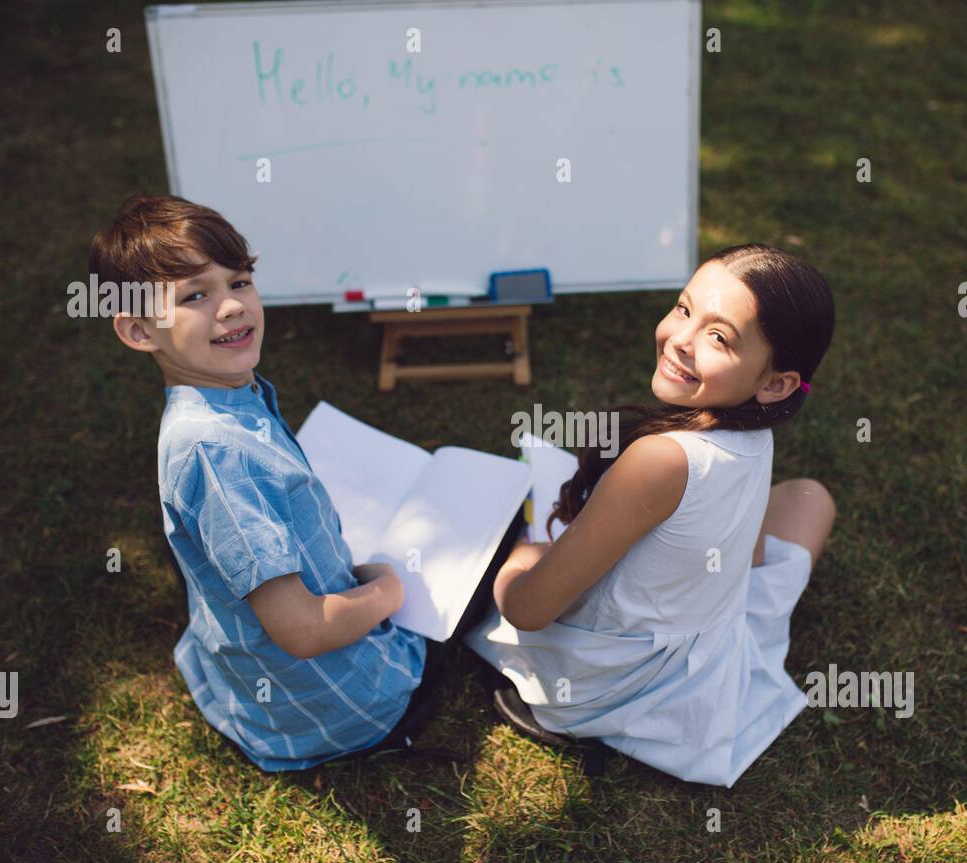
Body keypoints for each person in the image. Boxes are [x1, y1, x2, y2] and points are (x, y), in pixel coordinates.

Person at [465, 243, 837, 787]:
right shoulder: (753, 430)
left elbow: (530, 609)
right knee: (810, 497)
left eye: (718, 337)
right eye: (685, 309)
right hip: (707, 642)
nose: (680, 340)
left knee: (501, 557)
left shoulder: (660, 459)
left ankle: (585, 718)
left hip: (613, 682)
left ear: (775, 382)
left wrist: (524, 552)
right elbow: (752, 553)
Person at [94, 194, 429, 771]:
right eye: (196, 295)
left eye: (240, 282)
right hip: (342, 705)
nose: (231, 307)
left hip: (264, 682)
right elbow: (301, 631)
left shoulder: (218, 403)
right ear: (138, 330)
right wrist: (387, 595)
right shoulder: (215, 450)